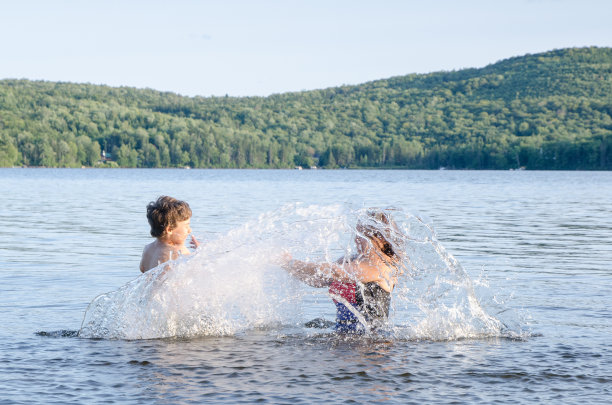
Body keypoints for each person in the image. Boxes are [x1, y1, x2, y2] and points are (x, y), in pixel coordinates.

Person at [282, 209, 402, 333]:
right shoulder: (352, 260)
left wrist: (293, 263)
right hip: (343, 334)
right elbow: (317, 280)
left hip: (372, 344)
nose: (356, 240)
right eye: (356, 234)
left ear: (380, 239)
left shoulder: (381, 266)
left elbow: (334, 271)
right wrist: (285, 264)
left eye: (362, 236)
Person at [139, 196, 199, 273]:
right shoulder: (180, 251)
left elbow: (143, 269)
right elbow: (197, 272)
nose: (189, 230)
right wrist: (200, 252)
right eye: (186, 225)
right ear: (169, 229)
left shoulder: (147, 249)